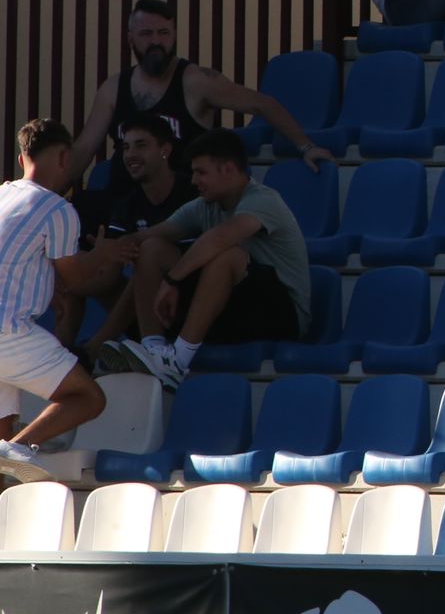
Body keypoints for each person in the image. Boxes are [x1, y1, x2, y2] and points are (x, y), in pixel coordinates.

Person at [100, 130, 311, 391]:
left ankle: (178, 360)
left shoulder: (264, 199)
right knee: (152, 248)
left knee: (227, 254)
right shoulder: (204, 205)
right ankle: (154, 351)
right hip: (237, 311)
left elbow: (220, 237)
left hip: (283, 317)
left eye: (201, 172)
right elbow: (149, 235)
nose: (194, 181)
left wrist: (172, 280)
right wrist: (103, 252)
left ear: (229, 169)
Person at [65, 0, 335, 200]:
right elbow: (84, 148)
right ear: (130, 39)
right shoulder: (113, 88)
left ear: (174, 36)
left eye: (164, 33)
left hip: (179, 203)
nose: (156, 42)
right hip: (124, 201)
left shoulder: (196, 82)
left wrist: (306, 147)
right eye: (146, 34)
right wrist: (45, 191)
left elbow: (261, 103)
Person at [0, 121, 135, 482]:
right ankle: (20, 447)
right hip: (9, 332)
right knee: (88, 397)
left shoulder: (1, 195)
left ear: (21, 157)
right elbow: (76, 277)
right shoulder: (58, 209)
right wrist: (105, 254)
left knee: (1, 430)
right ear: (64, 157)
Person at [64, 116, 196, 352]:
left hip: (191, 304)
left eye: (141, 145)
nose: (130, 154)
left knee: (150, 250)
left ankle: (99, 348)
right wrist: (92, 263)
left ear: (165, 150)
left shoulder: (192, 192)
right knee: (79, 273)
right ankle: (61, 357)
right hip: (147, 308)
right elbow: (108, 277)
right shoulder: (127, 205)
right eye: (126, 148)